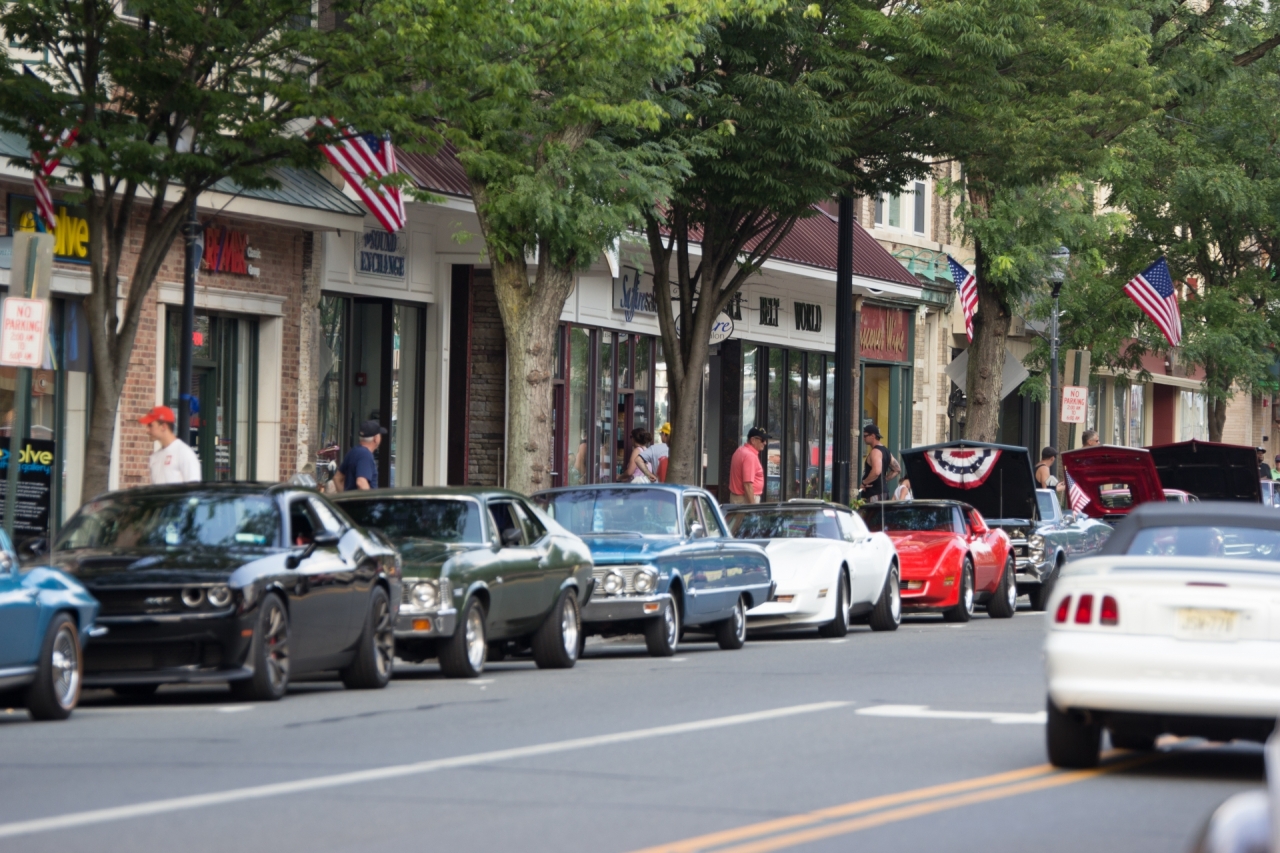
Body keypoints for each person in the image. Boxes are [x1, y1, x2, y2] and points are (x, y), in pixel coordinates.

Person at [140, 405, 202, 484]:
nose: (147, 430)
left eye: (150, 425)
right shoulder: (154, 457)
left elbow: (194, 490)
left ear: (163, 427)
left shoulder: (185, 453)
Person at [334, 420, 386, 491]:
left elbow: (337, 478)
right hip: (363, 502)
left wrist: (345, 498)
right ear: (375, 438)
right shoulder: (365, 455)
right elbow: (361, 482)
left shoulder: (353, 452)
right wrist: (369, 501)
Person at [729, 427, 767, 504]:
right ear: (752, 440)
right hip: (745, 499)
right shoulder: (750, 456)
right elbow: (748, 484)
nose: (765, 443)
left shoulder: (740, 450)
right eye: (762, 440)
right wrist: (752, 508)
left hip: (738, 498)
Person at [860, 424, 891, 502]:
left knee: (873, 514)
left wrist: (864, 483)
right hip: (883, 492)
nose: (864, 438)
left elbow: (876, 471)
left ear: (873, 436)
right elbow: (897, 469)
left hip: (875, 494)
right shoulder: (885, 451)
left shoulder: (875, 451)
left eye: (865, 436)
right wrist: (884, 479)